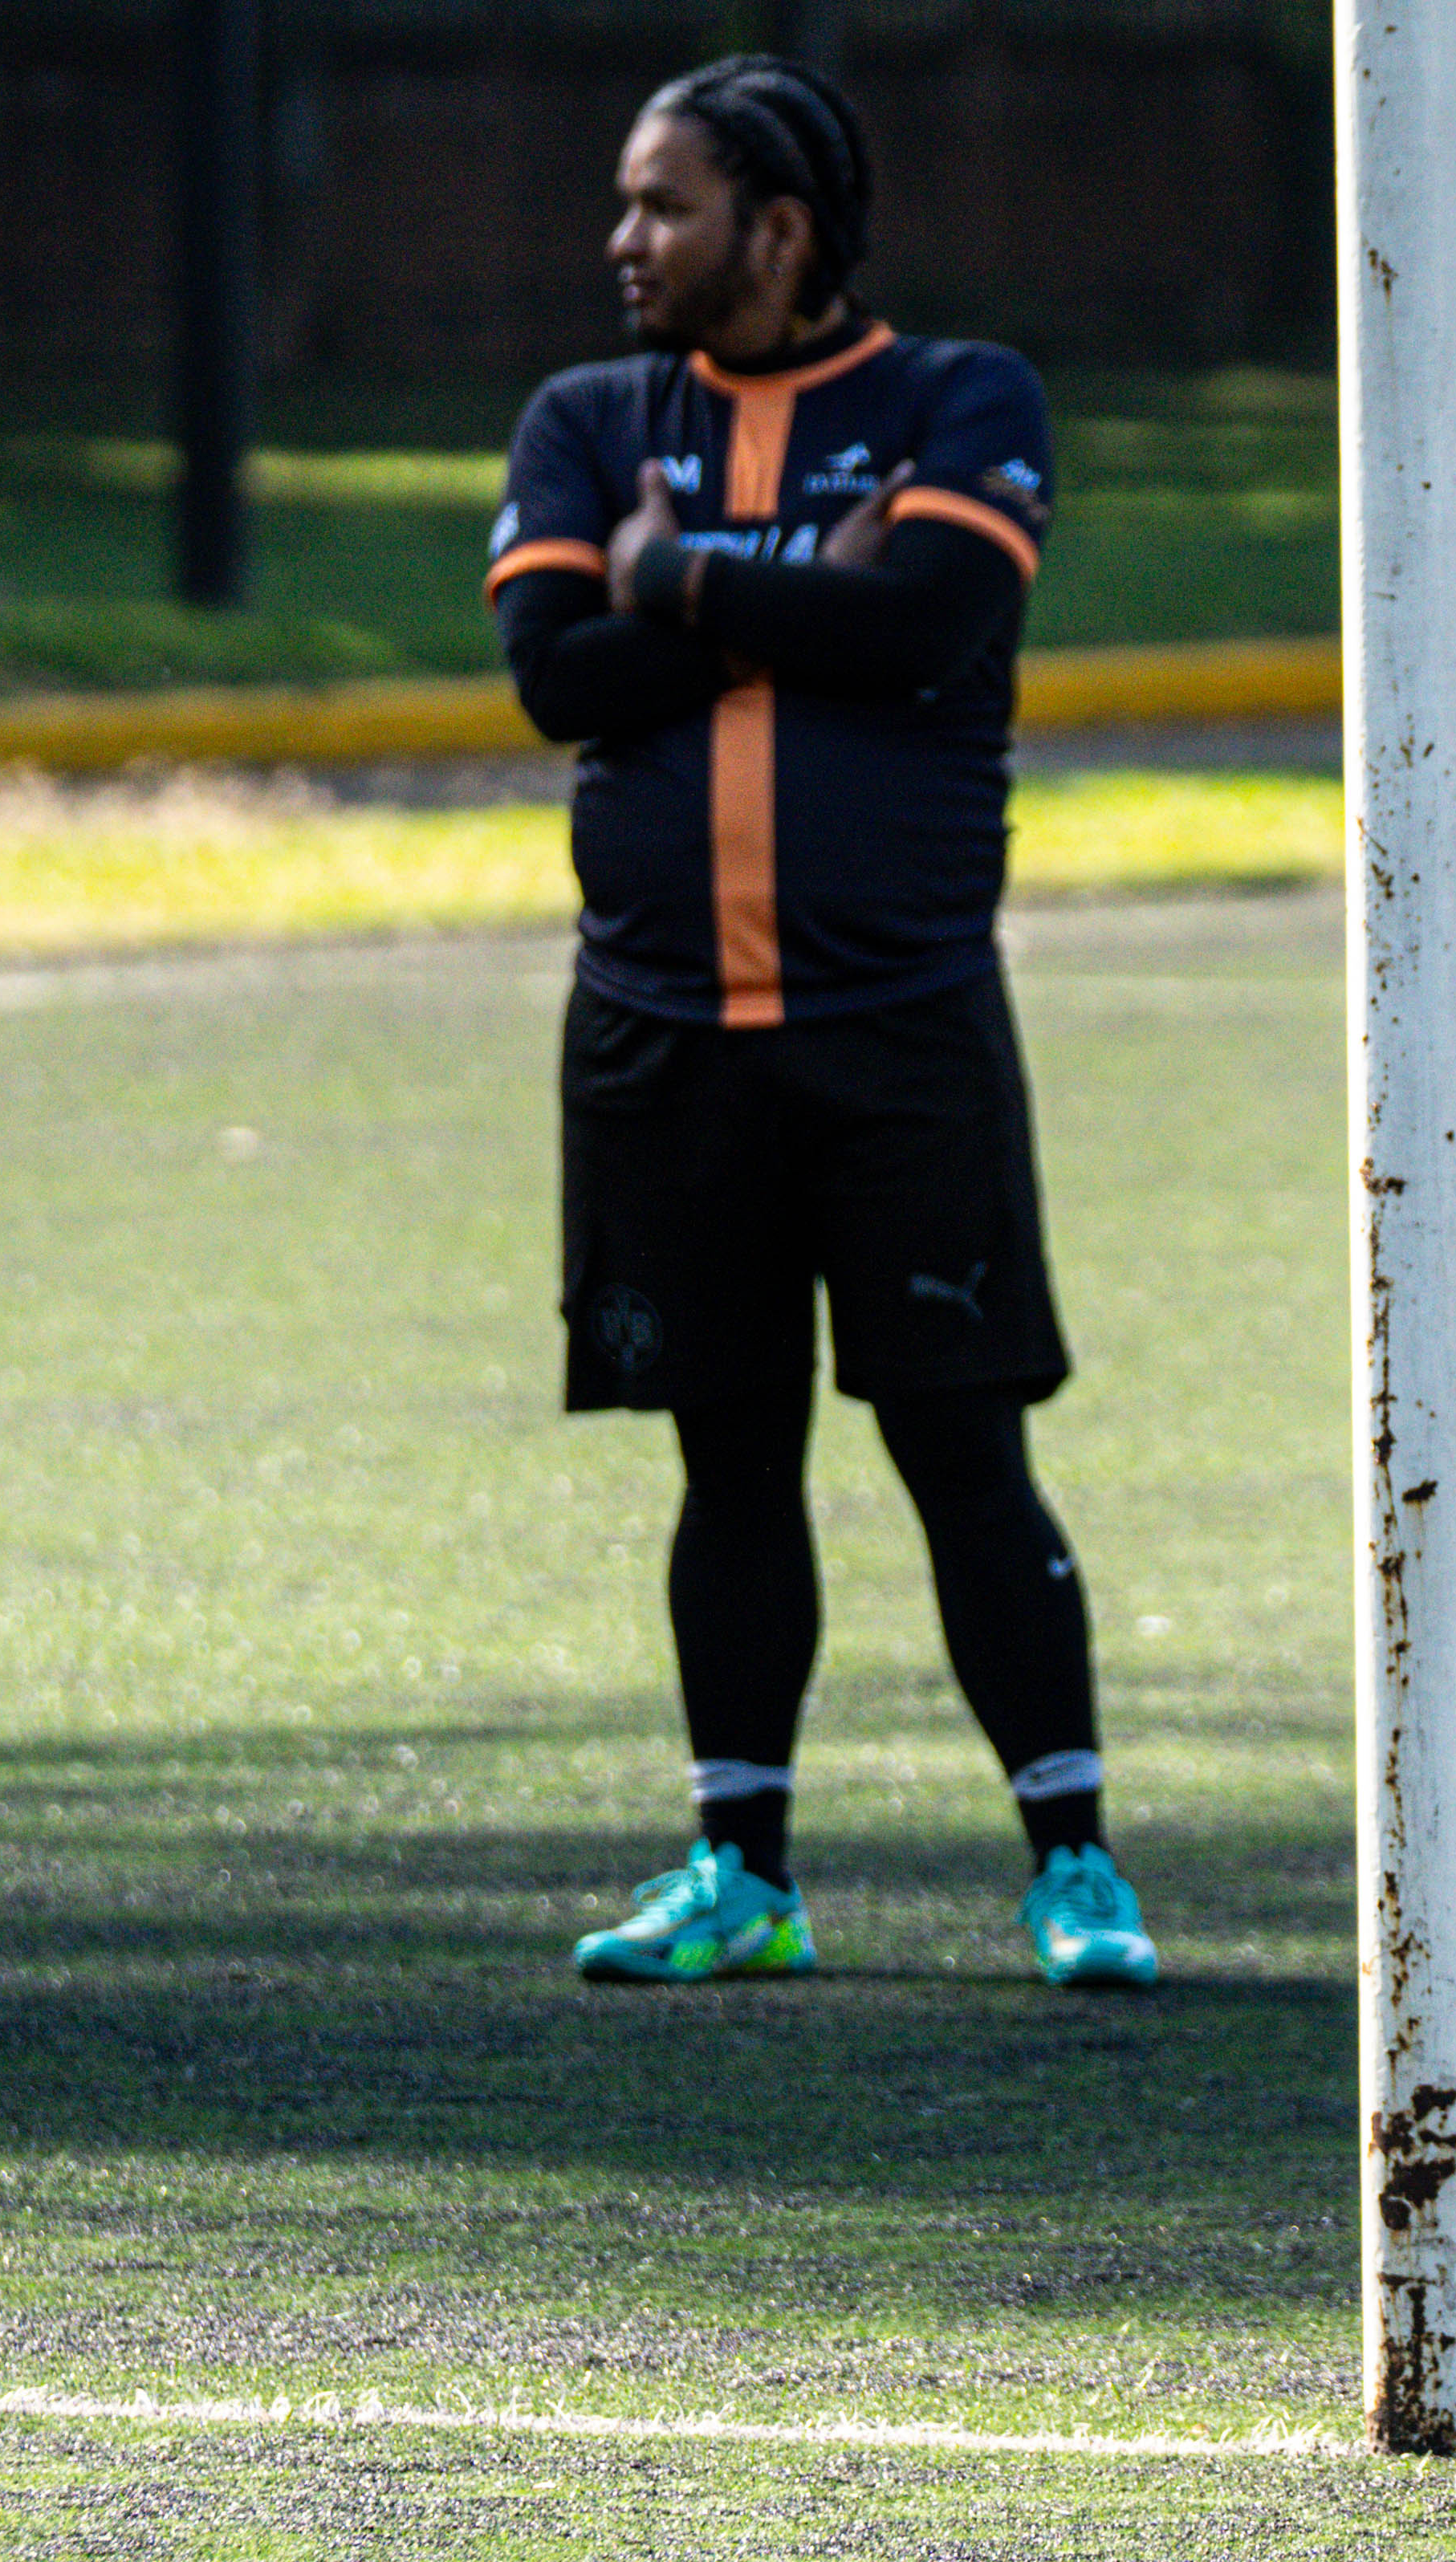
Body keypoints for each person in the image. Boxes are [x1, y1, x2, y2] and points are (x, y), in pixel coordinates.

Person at [484, 55, 1154, 1989]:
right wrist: (800, 592)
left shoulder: (961, 398)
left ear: (778, 231)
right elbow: (553, 670)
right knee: (727, 1454)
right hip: (660, 1039)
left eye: (663, 206)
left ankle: (1074, 1864)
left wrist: (679, 576)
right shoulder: (584, 416)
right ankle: (740, 1873)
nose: (624, 240)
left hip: (903, 1032)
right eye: (624, 204)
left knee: (962, 1447)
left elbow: (925, 627)